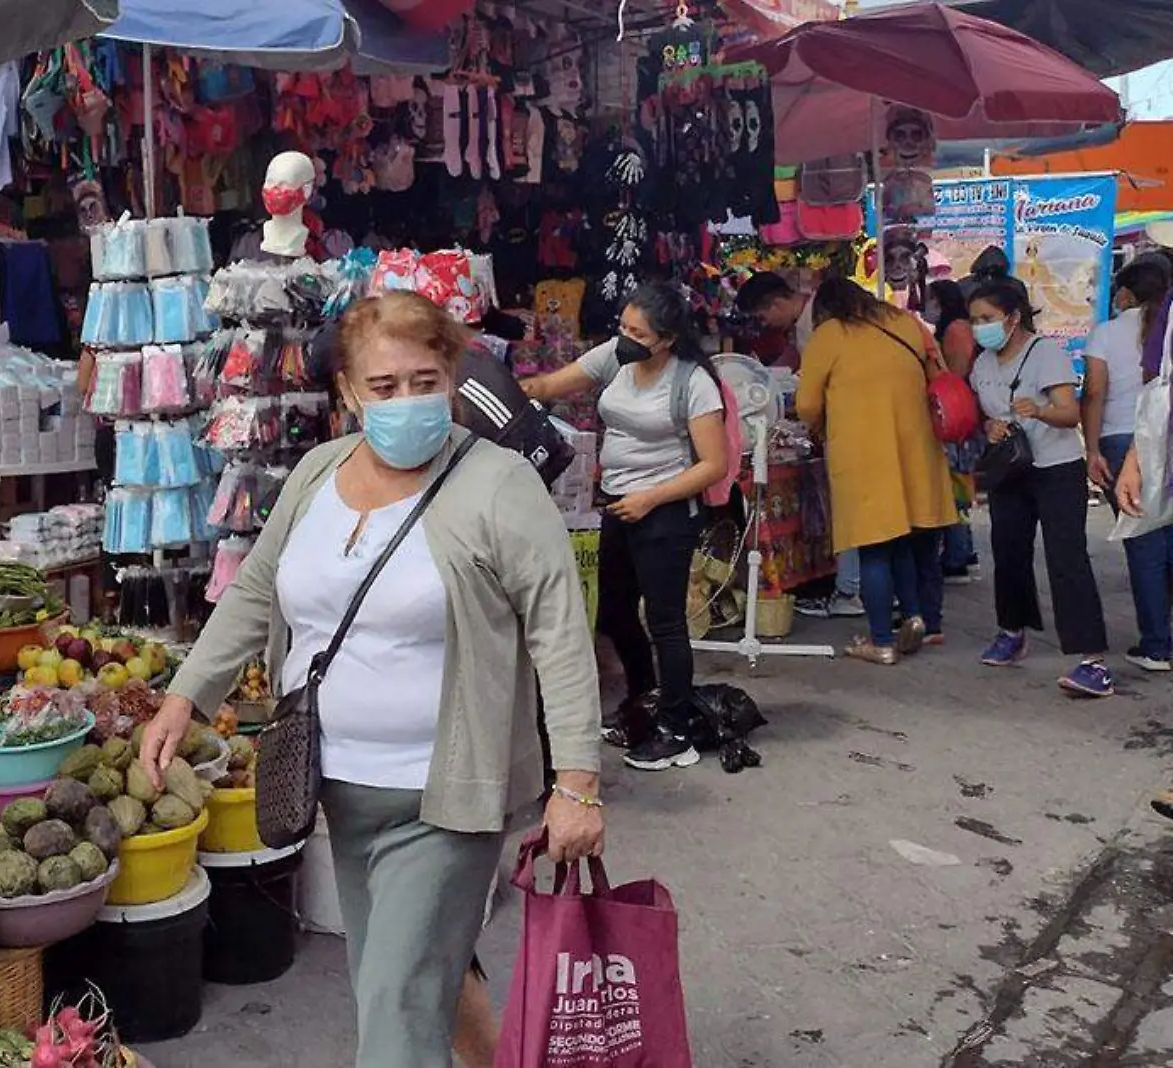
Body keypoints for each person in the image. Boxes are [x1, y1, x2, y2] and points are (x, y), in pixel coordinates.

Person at [141, 291, 605, 1068]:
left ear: (452, 376)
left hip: (447, 797)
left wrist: (579, 783)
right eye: (383, 387)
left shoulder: (497, 485)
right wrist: (188, 697)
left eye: (425, 381)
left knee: (395, 1011)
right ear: (348, 393)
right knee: (408, 981)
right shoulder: (319, 473)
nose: (407, 401)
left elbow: (560, 634)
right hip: (337, 789)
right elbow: (256, 589)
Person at [523, 282, 731, 770]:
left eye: (637, 332)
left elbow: (714, 464)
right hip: (619, 504)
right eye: (623, 326)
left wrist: (650, 498)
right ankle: (644, 702)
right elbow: (554, 384)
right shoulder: (616, 358)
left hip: (667, 511)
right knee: (614, 612)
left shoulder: (692, 383)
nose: (625, 337)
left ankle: (675, 730)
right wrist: (506, 391)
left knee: (665, 622)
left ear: (667, 339)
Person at [796, 279, 958, 664]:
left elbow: (805, 404)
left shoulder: (829, 335)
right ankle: (915, 618)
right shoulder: (903, 323)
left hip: (863, 453)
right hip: (913, 451)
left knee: (872, 549)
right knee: (900, 539)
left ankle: (882, 640)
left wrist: (820, 426)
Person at [968, 280, 1112, 696]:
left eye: (988, 319)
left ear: (1012, 318)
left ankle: (1092, 660)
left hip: (1056, 468)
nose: (981, 327)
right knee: (1008, 550)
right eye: (975, 320)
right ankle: (1012, 630)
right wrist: (989, 426)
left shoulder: (1045, 353)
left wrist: (1042, 411)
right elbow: (985, 416)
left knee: (1066, 557)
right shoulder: (982, 364)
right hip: (1011, 470)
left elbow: (1071, 414)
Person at [737, 272, 867, 619]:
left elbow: (811, 394)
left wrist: (800, 406)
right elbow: (793, 361)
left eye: (763, 317)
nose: (766, 325)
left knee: (851, 510)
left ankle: (850, 589)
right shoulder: (802, 325)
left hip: (846, 426)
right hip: (843, 426)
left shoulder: (822, 320)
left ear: (777, 303)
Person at [1083, 258, 1173, 671]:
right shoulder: (1163, 321)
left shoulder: (1108, 332)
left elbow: (1095, 393)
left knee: (1145, 547)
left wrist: (1092, 449)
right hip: (1160, 439)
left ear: (1126, 292)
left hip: (1125, 442)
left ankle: (1156, 644)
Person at [925, 279, 982, 581]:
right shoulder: (957, 328)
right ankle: (961, 549)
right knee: (956, 485)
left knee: (954, 487)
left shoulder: (956, 331)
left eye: (930, 300)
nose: (926, 306)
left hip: (956, 418)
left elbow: (954, 376)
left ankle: (958, 554)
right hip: (959, 415)